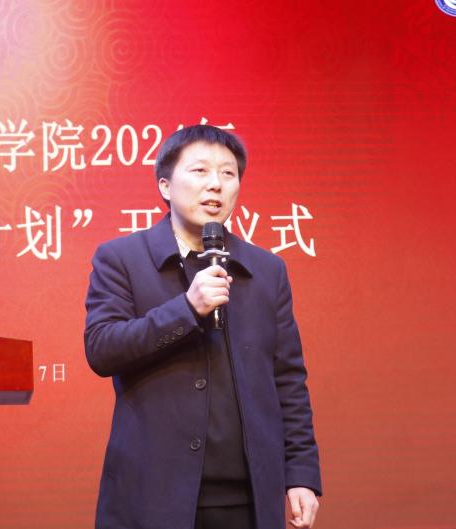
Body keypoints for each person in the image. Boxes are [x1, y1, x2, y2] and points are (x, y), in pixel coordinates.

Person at [84, 125, 321, 529]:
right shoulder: (122, 259)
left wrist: (301, 473)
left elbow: (288, 380)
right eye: (200, 171)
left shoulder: (266, 270)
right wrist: (186, 309)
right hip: (154, 493)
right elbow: (102, 348)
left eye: (228, 173)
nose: (215, 184)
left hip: (247, 498)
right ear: (164, 185)